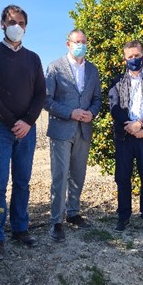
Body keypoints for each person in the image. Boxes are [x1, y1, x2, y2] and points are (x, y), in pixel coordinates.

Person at [0, 4, 46, 260]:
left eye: (21, 23)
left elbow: (40, 93)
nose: (17, 27)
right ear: (2, 24)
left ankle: (20, 228)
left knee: (22, 182)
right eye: (12, 22)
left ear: (26, 27)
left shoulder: (33, 58)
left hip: (27, 130)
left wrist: (27, 121)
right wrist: (11, 121)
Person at [44, 29, 102, 242]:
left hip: (83, 130)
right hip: (61, 130)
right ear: (68, 44)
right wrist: (70, 112)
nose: (81, 45)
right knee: (60, 176)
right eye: (77, 42)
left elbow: (97, 99)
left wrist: (92, 113)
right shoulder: (55, 67)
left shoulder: (92, 70)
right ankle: (56, 222)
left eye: (84, 42)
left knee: (78, 174)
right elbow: (46, 100)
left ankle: (73, 213)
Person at [108, 40, 143, 236]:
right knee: (122, 178)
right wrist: (131, 128)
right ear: (124, 59)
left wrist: (141, 125)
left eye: (136, 55)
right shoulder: (117, 82)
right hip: (124, 137)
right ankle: (123, 217)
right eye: (130, 57)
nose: (134, 59)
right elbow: (114, 108)